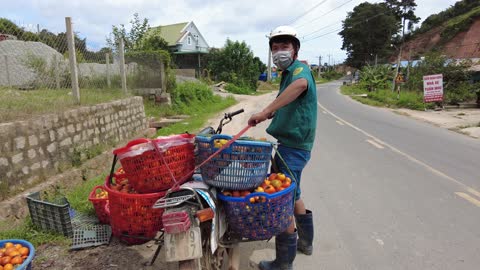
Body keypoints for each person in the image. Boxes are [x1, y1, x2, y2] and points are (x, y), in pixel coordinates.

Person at [248, 25, 317, 270]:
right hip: (293, 144)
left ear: (295, 49)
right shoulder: (287, 73)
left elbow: (300, 86)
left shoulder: (299, 70)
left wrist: (266, 111)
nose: (279, 52)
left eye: (284, 47)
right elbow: (290, 98)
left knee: (283, 201)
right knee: (294, 191)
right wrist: (270, 113)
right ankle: (306, 243)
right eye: (275, 48)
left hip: (294, 146)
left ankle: (282, 263)